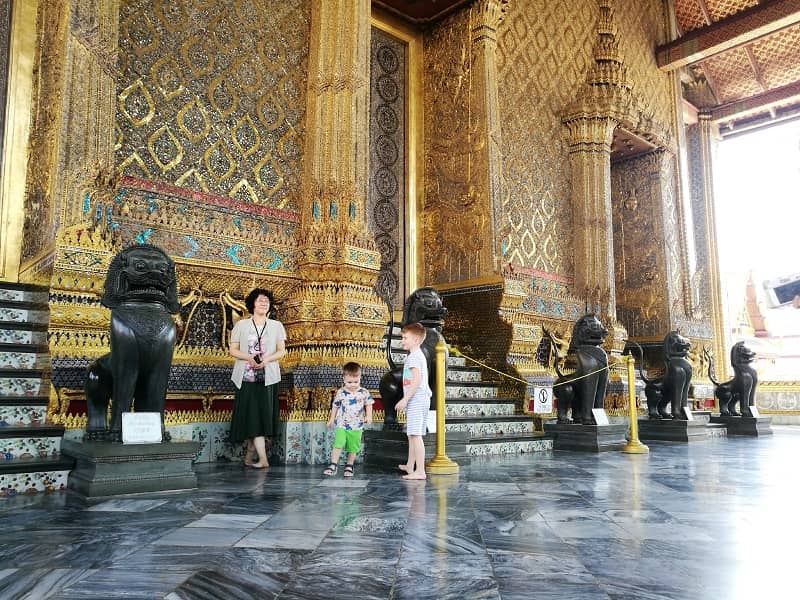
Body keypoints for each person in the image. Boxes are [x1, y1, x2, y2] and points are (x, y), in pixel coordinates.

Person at [228, 288, 286, 469]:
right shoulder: (241, 325)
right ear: (252, 303)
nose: (263, 304)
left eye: (267, 302)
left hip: (268, 376)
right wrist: (248, 358)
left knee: (260, 417)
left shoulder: (277, 326)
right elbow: (233, 350)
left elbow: (281, 351)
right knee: (252, 417)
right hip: (246, 376)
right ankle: (261, 458)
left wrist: (266, 359)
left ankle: (253, 456)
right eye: (260, 300)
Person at [323, 362, 374, 477]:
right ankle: (333, 464)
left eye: (356, 382)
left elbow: (369, 404)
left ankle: (349, 465)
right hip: (342, 424)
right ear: (344, 379)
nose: (352, 385)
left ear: (360, 378)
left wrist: (369, 416)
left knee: (353, 446)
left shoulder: (364, 392)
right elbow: (335, 406)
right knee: (338, 443)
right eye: (349, 382)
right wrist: (331, 419)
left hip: (357, 425)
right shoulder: (341, 392)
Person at [394, 322, 432, 480]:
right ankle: (410, 465)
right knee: (412, 434)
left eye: (405, 338)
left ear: (416, 340)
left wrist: (405, 399)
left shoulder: (415, 357)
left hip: (417, 398)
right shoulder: (416, 355)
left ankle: (420, 471)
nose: (402, 340)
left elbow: (416, 380)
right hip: (419, 398)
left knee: (416, 435)